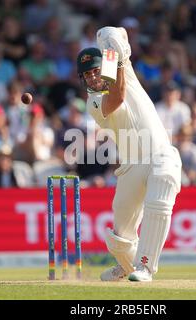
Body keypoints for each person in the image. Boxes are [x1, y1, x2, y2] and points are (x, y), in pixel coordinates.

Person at [77, 27, 181, 282]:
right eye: (86, 74)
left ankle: (145, 266)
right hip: (131, 165)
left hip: (159, 154)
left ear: (103, 68)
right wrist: (116, 59)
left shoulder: (125, 71)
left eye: (95, 70)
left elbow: (115, 32)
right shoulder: (93, 102)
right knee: (119, 236)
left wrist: (113, 42)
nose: (91, 78)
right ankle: (127, 264)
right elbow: (118, 96)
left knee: (161, 195)